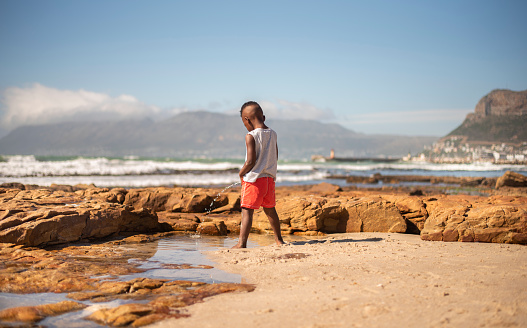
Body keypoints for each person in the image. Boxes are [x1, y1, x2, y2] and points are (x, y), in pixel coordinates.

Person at [232, 101, 286, 249]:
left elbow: (250, 161)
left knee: (247, 211)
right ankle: (279, 240)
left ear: (246, 120)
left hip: (254, 180)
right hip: (269, 180)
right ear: (263, 117)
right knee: (270, 210)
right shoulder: (273, 134)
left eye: (244, 123)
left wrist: (241, 173)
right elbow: (275, 155)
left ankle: (241, 243)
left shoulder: (250, 136)